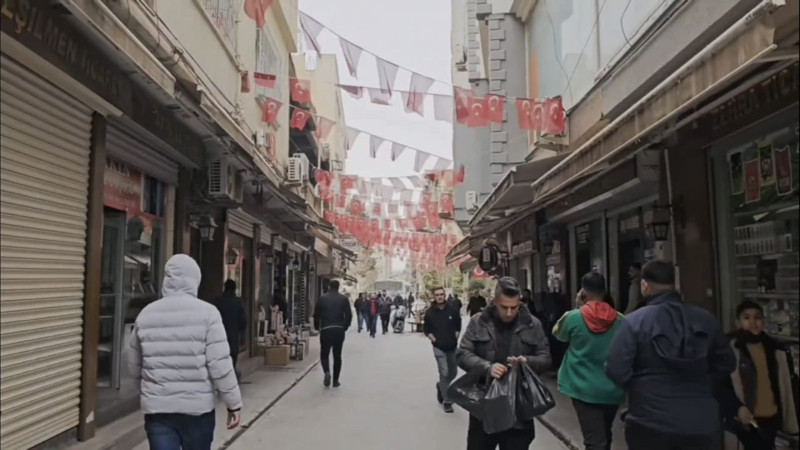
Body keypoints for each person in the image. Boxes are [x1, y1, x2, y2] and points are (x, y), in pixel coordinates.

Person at [605, 259, 736, 450]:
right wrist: (701, 381)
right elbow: (726, 364)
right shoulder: (707, 320)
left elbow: (616, 369)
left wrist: (640, 387)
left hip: (649, 420)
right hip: (702, 422)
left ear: (644, 286)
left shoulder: (634, 322)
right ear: (674, 284)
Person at [128, 255, 242, 449]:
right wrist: (234, 403)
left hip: (159, 412)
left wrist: (152, 391)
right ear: (195, 280)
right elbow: (220, 364)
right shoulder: (208, 313)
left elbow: (134, 366)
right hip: (197, 411)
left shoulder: (146, 314)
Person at [458, 277, 552, 449]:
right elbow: (463, 353)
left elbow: (545, 358)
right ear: (494, 302)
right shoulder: (479, 322)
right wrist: (487, 368)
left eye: (514, 307)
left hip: (519, 407)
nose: (509, 312)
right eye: (504, 307)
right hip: (484, 404)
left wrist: (527, 362)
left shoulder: (533, 324)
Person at [553, 272, 625, 450]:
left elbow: (558, 335)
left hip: (582, 387)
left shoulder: (573, 318)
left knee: (595, 441)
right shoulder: (621, 320)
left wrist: (578, 307)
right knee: (605, 435)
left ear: (583, 292)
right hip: (612, 389)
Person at [725, 300, 798, 449]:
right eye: (747, 318)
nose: (753, 322)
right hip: (746, 419)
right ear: (738, 322)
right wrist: (736, 407)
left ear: (763, 321)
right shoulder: (731, 349)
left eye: (757, 317)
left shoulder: (774, 347)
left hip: (771, 417)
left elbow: (784, 383)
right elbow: (722, 384)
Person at [424, 287, 462, 414]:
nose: (440, 296)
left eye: (441, 294)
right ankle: (447, 401)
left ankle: (441, 386)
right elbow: (426, 329)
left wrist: (456, 335)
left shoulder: (452, 310)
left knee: (453, 372)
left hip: (451, 346)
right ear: (434, 297)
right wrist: (433, 339)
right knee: (444, 373)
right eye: (437, 295)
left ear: (445, 295)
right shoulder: (430, 312)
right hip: (438, 347)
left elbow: (458, 325)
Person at [313, 280, 352, 388]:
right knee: (337, 355)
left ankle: (326, 372)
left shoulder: (322, 298)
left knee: (324, 354)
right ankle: (335, 381)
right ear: (338, 287)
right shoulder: (344, 299)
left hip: (326, 329)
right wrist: (345, 327)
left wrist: (317, 327)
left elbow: (316, 315)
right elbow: (349, 315)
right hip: (339, 329)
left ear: (329, 286)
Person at [215, 279, 247, 374]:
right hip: (233, 336)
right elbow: (243, 321)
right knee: (232, 359)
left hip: (218, 336)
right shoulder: (238, 302)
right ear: (234, 289)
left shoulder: (218, 301)